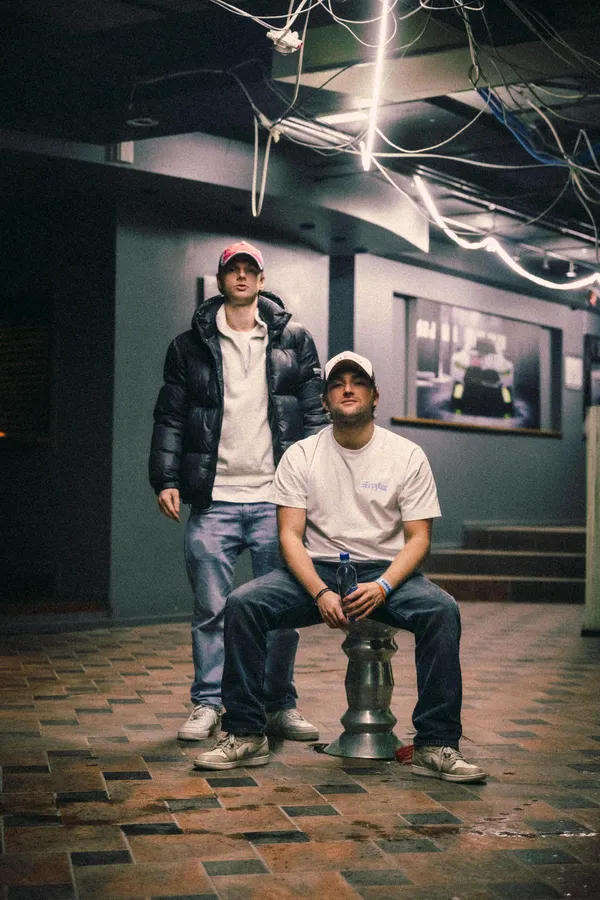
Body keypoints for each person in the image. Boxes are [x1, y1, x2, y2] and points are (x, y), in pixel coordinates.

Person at [193, 350, 487, 783]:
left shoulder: (406, 455)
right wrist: (319, 591)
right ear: (325, 401)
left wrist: (384, 586)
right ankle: (246, 734)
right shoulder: (301, 455)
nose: (348, 389)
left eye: (358, 382)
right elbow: (289, 536)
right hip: (318, 570)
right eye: (337, 384)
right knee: (244, 604)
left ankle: (435, 745)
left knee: (441, 610)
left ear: (375, 396)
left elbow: (419, 539)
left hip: (384, 571)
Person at [149, 240, 327, 742]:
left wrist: (318, 484)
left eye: (251, 270)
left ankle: (278, 704)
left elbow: (314, 413)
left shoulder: (295, 339)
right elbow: (170, 416)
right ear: (222, 279)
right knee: (211, 610)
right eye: (234, 270)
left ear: (262, 280)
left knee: (282, 610)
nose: (243, 276)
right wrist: (166, 479)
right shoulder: (188, 346)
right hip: (214, 500)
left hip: (277, 502)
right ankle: (208, 703)